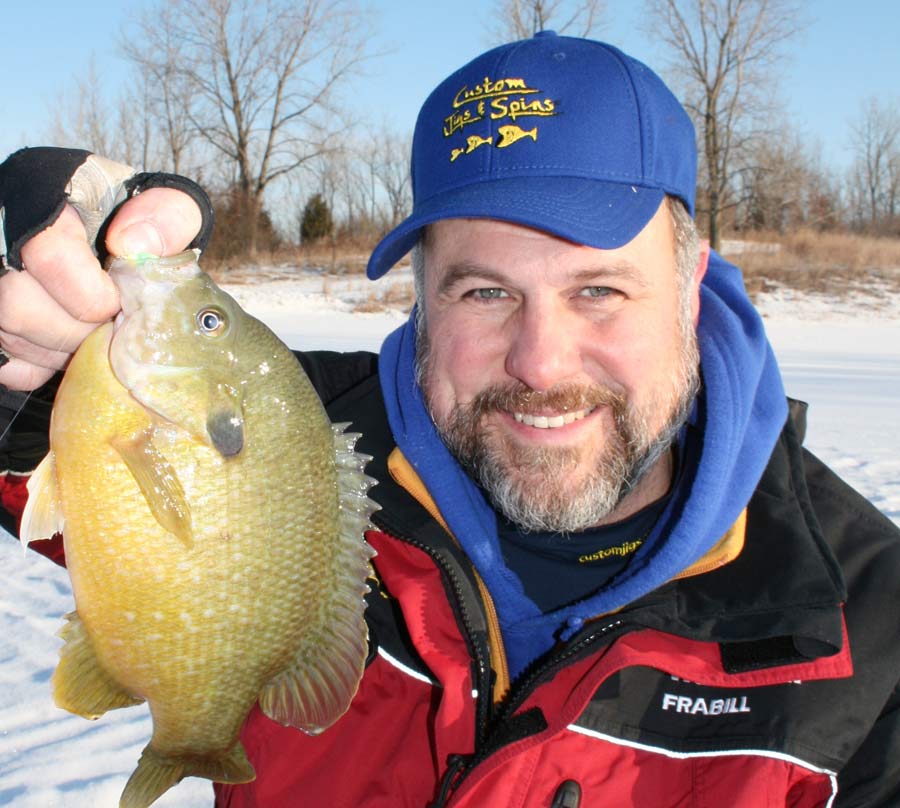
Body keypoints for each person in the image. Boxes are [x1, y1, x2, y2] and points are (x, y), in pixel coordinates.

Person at [1, 32, 899, 807]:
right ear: (422, 299)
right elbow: (60, 465)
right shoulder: (287, 435)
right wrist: (37, 324)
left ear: (691, 289)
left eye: (598, 290)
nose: (539, 362)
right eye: (484, 291)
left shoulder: (875, 646)